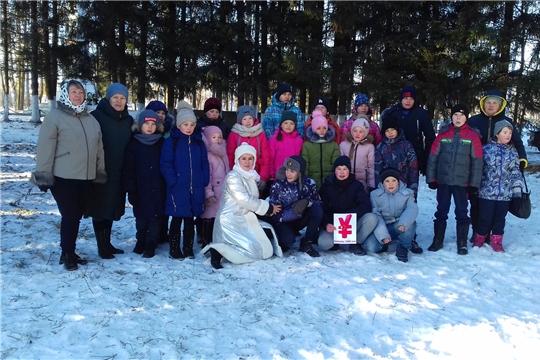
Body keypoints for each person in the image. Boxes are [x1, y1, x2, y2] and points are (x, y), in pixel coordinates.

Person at [30, 80, 106, 271]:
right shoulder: (55, 117)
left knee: (76, 216)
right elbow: (45, 147)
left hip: (86, 177)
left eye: (80, 92)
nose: (78, 95)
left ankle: (69, 250)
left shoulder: (91, 119)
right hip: (63, 177)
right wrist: (43, 174)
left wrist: (99, 172)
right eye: (73, 92)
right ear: (66, 94)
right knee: (70, 215)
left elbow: (99, 150)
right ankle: (67, 254)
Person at [202, 143, 283, 269]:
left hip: (244, 217)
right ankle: (217, 250)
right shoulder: (233, 177)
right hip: (232, 220)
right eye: (243, 158)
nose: (247, 162)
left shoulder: (250, 175)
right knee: (253, 251)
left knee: (262, 248)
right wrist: (268, 208)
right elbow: (243, 199)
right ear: (237, 160)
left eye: (250, 158)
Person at [467, 89, 528, 240]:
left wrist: (521, 161)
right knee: (476, 204)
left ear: (501, 105)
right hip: (477, 170)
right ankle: (478, 232)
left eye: (495, 103)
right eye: (488, 102)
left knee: (497, 208)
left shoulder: (506, 123)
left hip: (500, 174)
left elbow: (518, 144)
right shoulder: (473, 121)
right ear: (483, 104)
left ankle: (492, 234)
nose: (491, 105)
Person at [381, 85, 435, 254]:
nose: (408, 101)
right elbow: (385, 133)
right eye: (405, 98)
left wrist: (426, 161)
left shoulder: (421, 114)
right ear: (401, 99)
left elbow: (430, 137)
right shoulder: (393, 113)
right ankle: (386, 234)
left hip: (412, 161)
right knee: (388, 198)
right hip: (391, 163)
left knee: (409, 197)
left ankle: (410, 236)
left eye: (411, 98)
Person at [426, 104, 483, 255]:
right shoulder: (443, 134)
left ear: (467, 118)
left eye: (462, 115)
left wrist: (474, 184)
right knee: (441, 211)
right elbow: (433, 157)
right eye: (455, 115)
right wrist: (431, 178)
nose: (458, 118)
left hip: (462, 183)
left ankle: (462, 242)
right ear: (451, 117)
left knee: (462, 212)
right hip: (443, 181)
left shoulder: (472, 136)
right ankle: (437, 240)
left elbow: (477, 162)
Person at [86, 82, 134, 260]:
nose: (119, 101)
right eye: (115, 97)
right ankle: (102, 246)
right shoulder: (96, 117)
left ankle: (107, 242)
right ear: (108, 98)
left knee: (112, 208)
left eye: (122, 98)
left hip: (119, 172)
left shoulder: (128, 120)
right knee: (100, 208)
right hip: (100, 172)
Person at [161, 100, 210, 260]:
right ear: (179, 125)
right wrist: (173, 180)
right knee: (177, 218)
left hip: (195, 186)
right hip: (178, 186)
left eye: (191, 124)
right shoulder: (172, 141)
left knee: (190, 218)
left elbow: (204, 161)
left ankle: (188, 247)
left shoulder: (198, 142)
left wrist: (204, 178)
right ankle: (174, 248)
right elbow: (166, 163)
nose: (189, 128)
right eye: (185, 124)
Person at [473, 120, 525, 252]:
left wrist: (517, 190)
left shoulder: (512, 152)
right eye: (505, 132)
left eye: (510, 133)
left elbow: (515, 172)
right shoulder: (486, 149)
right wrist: (474, 187)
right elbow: (479, 169)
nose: (508, 135)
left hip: (504, 194)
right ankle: (479, 239)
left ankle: (497, 242)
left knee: (500, 219)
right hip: (486, 193)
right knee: (485, 217)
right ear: (497, 133)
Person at [122, 110, 166, 258]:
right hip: (141, 188)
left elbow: (166, 164)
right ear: (140, 125)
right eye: (146, 123)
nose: (150, 127)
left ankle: (151, 243)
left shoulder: (161, 142)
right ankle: (141, 240)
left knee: (156, 217)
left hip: (159, 187)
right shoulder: (133, 144)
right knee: (141, 218)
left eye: (153, 124)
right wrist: (131, 190)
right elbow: (129, 169)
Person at [318, 156, 378, 255]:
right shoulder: (327, 186)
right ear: (334, 171)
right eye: (339, 169)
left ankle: (355, 243)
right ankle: (336, 241)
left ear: (349, 170)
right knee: (324, 244)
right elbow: (321, 208)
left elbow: (365, 205)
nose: (342, 172)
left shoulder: (357, 185)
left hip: (352, 223)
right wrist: (326, 224)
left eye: (345, 169)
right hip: (333, 225)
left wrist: (349, 215)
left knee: (371, 218)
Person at [269, 156, 323, 257]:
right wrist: (294, 213)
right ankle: (278, 236)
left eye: (292, 171)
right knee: (287, 243)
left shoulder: (309, 183)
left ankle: (307, 242)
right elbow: (274, 214)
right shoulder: (278, 185)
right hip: (283, 222)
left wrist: (307, 202)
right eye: (287, 170)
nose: (288, 174)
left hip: (300, 220)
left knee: (317, 211)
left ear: (300, 172)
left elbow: (318, 202)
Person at [363, 167, 419, 263]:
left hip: (398, 225)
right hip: (382, 226)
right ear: (382, 183)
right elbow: (376, 215)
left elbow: (412, 209)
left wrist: (403, 223)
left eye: (393, 180)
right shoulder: (375, 195)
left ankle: (403, 247)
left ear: (398, 181)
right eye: (387, 181)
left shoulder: (407, 193)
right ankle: (392, 244)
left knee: (411, 224)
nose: (391, 183)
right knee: (371, 247)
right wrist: (383, 235)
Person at [227, 105, 270, 194]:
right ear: (240, 120)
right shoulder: (234, 134)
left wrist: (263, 177)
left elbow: (266, 157)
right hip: (239, 175)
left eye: (250, 118)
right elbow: (230, 156)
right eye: (245, 119)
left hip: (256, 174)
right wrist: (232, 174)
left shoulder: (260, 134)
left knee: (255, 198)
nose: (248, 121)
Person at [199, 125, 230, 247]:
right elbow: (207, 176)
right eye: (213, 137)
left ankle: (216, 238)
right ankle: (205, 239)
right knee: (209, 216)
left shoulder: (223, 154)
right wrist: (208, 193)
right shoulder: (208, 156)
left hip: (223, 190)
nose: (217, 139)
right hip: (213, 191)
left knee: (219, 216)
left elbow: (227, 171)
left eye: (219, 137)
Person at [374, 117, 419, 196]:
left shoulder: (406, 145)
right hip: (386, 187)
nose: (390, 133)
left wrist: (413, 190)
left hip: (404, 185)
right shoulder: (380, 147)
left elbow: (413, 168)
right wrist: (379, 189)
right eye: (387, 131)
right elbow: (377, 169)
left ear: (397, 130)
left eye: (392, 130)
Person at [301, 110, 340, 190]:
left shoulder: (333, 145)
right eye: (318, 128)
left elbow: (336, 163)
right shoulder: (307, 145)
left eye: (324, 128)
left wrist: (334, 178)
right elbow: (306, 164)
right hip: (312, 181)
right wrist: (306, 180)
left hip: (329, 181)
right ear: (313, 129)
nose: (322, 130)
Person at [339, 116, 375, 191]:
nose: (357, 134)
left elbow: (371, 167)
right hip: (347, 182)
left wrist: (371, 185)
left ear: (365, 133)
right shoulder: (343, 145)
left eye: (361, 131)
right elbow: (340, 164)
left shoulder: (369, 147)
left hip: (363, 183)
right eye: (355, 131)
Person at [268, 110, 304, 182]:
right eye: (285, 123)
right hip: (277, 176)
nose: (288, 125)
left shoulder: (299, 140)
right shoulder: (274, 140)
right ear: (281, 125)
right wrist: (271, 175)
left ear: (295, 125)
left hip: (294, 176)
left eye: (291, 123)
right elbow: (270, 158)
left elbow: (300, 158)